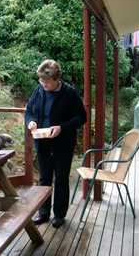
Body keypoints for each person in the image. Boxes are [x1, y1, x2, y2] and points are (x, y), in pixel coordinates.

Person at [25, 59, 86, 228]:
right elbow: (29, 111)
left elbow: (82, 117)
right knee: (44, 178)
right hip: (42, 143)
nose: (43, 84)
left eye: (46, 81)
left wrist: (62, 127)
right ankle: (43, 212)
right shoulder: (39, 90)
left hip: (63, 143)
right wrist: (31, 122)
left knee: (61, 179)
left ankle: (59, 214)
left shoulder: (70, 93)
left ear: (57, 79)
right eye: (41, 80)